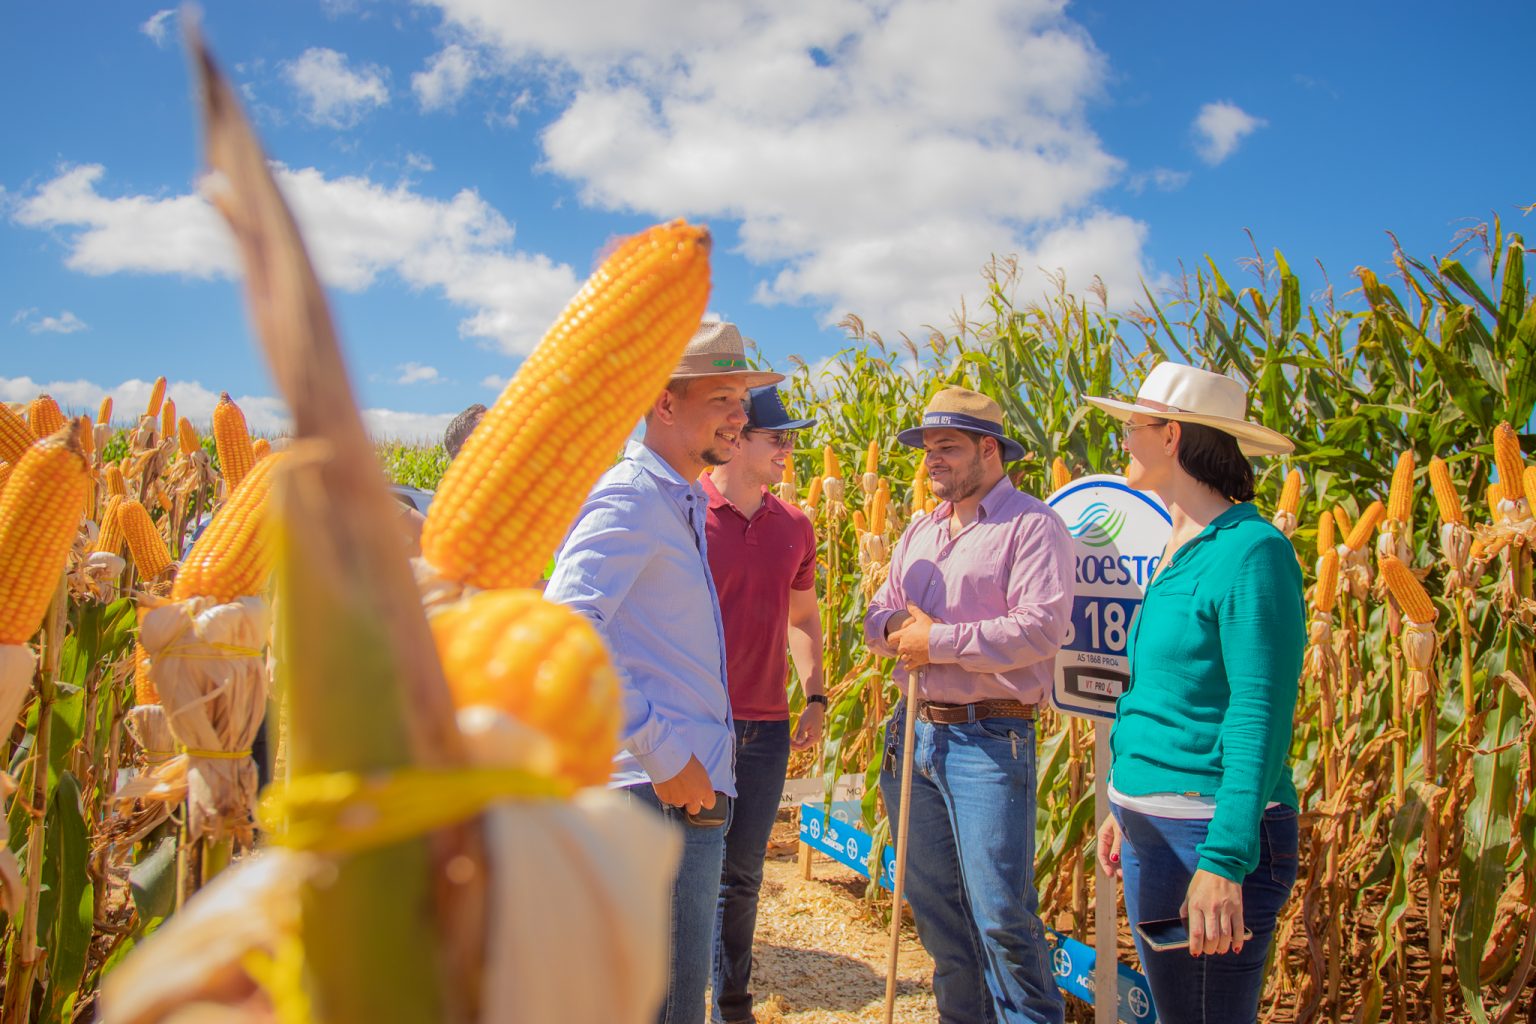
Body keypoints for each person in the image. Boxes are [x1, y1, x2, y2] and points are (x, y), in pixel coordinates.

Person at [545, 321, 784, 1024]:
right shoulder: (631, 497)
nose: (740, 415)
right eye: (722, 398)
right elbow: (566, 626)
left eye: (743, 397)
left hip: (677, 787)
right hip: (654, 793)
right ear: (664, 403)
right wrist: (664, 751)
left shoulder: (672, 498)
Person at [1086, 362, 1303, 1024]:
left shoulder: (1252, 552)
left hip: (1210, 837)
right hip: (1152, 832)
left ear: (1172, 436)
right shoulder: (1180, 546)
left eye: (1133, 425)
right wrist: (1126, 801)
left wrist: (1225, 860)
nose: (1123, 438)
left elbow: (1257, 714)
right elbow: (1160, 694)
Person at [864, 387, 1074, 1024]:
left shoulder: (1033, 527)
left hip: (989, 739)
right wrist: (900, 625)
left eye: (947, 448)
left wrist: (938, 641)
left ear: (990, 449)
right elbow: (876, 617)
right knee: (939, 918)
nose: (932, 461)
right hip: (915, 738)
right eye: (929, 449)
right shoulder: (920, 532)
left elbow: (1040, 629)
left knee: (1003, 917)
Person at [702, 385, 826, 1024]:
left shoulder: (795, 525)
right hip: (695, 726)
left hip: (766, 728)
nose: (789, 448)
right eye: (778, 437)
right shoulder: (685, 510)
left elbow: (802, 616)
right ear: (737, 436)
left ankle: (733, 1007)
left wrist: (816, 694)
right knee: (682, 873)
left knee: (742, 878)